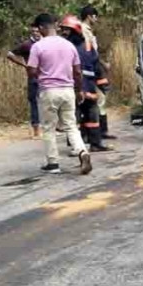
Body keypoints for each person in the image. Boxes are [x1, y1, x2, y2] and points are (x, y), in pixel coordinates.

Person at [27, 13, 92, 175]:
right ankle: (82, 152)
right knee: (71, 125)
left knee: (49, 128)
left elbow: (31, 70)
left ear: (41, 27)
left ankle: (53, 163)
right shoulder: (69, 45)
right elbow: (77, 72)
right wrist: (79, 90)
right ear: (54, 26)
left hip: (48, 91)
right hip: (68, 90)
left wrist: (41, 74)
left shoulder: (38, 47)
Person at [59, 15, 111, 153]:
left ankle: (95, 143)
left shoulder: (87, 45)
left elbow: (96, 66)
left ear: (75, 30)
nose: (64, 32)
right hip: (71, 88)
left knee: (92, 116)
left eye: (66, 29)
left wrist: (102, 83)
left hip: (88, 87)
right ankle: (77, 147)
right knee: (74, 118)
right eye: (63, 30)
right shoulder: (62, 47)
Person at [79, 5, 116, 139]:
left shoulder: (88, 30)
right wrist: (103, 64)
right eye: (95, 16)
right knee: (95, 100)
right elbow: (89, 52)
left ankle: (100, 131)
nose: (96, 19)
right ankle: (94, 133)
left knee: (100, 99)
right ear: (89, 16)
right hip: (88, 70)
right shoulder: (83, 30)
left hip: (93, 68)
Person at [6, 22, 43, 138]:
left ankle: (52, 126)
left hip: (46, 77)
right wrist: (24, 65)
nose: (36, 33)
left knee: (49, 101)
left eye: (38, 31)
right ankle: (36, 129)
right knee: (34, 102)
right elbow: (9, 54)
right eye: (34, 31)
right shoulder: (27, 45)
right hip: (33, 78)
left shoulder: (46, 43)